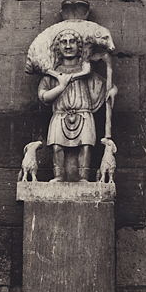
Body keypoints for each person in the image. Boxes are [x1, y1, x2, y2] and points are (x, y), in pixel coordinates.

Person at [38, 29, 116, 182]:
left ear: (79, 46)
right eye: (64, 42)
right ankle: (59, 175)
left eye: (72, 42)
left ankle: (83, 176)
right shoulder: (53, 73)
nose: (68, 46)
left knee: (85, 147)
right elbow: (43, 96)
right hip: (60, 115)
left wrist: (113, 90)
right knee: (57, 146)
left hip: (83, 114)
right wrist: (61, 87)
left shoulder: (87, 71)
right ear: (58, 47)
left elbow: (105, 86)